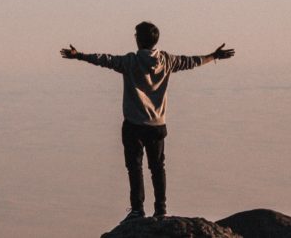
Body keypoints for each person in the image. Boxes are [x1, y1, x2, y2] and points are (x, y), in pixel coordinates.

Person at [60, 21, 234, 223]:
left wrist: (79, 55)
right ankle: (160, 209)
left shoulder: (130, 62)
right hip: (157, 125)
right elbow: (192, 61)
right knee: (158, 167)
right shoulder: (167, 60)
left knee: (135, 168)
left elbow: (104, 60)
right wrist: (214, 56)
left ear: (139, 39)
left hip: (134, 125)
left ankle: (137, 210)